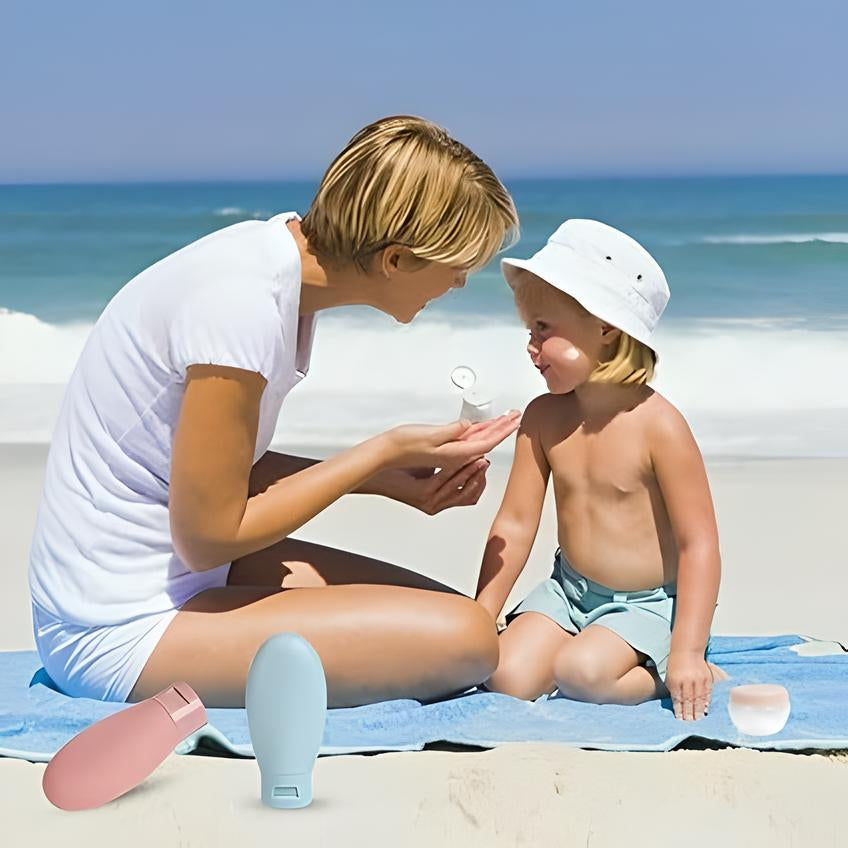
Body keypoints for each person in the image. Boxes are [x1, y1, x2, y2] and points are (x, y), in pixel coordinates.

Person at [28, 115, 521, 708]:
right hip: (118, 625)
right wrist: (380, 451)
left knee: (460, 621)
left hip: (172, 573)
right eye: (458, 263)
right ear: (395, 259)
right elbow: (209, 537)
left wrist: (382, 480)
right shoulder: (242, 308)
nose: (463, 282)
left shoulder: (270, 269)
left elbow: (211, 473)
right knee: (467, 641)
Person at [475, 219, 727, 721]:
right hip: (568, 592)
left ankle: (667, 669)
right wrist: (481, 615)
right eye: (529, 330)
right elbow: (516, 524)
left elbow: (699, 545)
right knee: (503, 677)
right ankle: (582, 646)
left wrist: (688, 652)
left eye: (543, 329)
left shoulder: (659, 427)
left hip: (647, 604)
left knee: (581, 674)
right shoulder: (543, 418)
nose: (530, 346)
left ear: (606, 329)